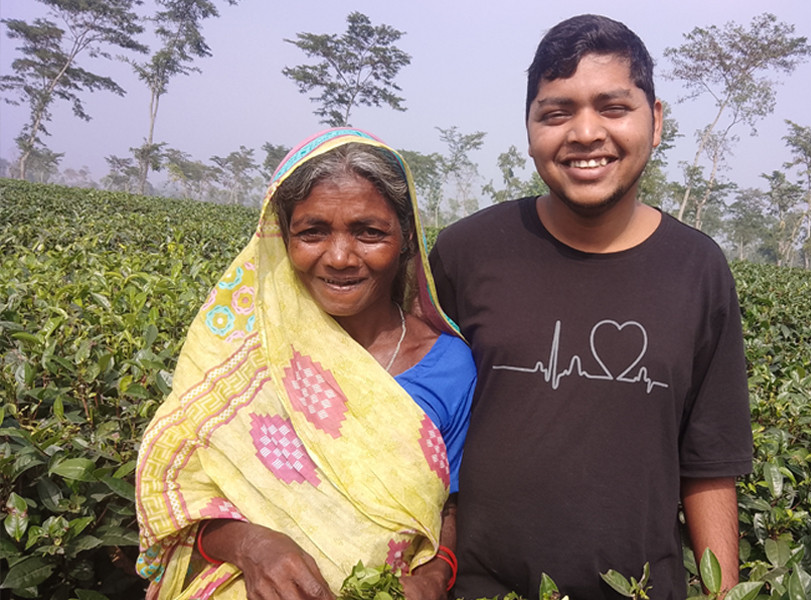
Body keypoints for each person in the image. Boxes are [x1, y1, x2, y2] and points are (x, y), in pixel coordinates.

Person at [429, 14, 753, 600]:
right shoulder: (465, 253)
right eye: (556, 112)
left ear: (654, 121)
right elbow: (412, 424)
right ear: (529, 129)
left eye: (612, 107)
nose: (584, 133)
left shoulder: (699, 270)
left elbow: (709, 463)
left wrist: (721, 592)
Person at [135, 128, 475, 600]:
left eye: (369, 232)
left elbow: (450, 507)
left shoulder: (450, 365)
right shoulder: (244, 351)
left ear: (406, 239)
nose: (339, 257)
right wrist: (251, 544)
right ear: (282, 238)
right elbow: (187, 495)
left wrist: (435, 576)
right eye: (312, 232)